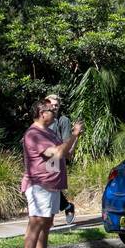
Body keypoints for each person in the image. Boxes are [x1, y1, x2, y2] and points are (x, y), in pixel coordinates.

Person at [19, 100, 81, 248]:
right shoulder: (33, 134)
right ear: (41, 113)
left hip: (52, 184)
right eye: (49, 109)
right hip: (39, 185)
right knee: (36, 223)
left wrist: (75, 137)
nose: (54, 110)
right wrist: (73, 134)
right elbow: (57, 153)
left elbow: (67, 153)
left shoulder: (49, 132)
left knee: (46, 224)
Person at [43, 93, 76, 226]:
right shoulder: (44, 119)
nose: (55, 107)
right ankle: (67, 207)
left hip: (56, 157)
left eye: (57, 105)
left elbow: (66, 141)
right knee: (49, 188)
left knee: (50, 187)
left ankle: (49, 220)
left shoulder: (63, 120)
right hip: (44, 157)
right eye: (52, 105)